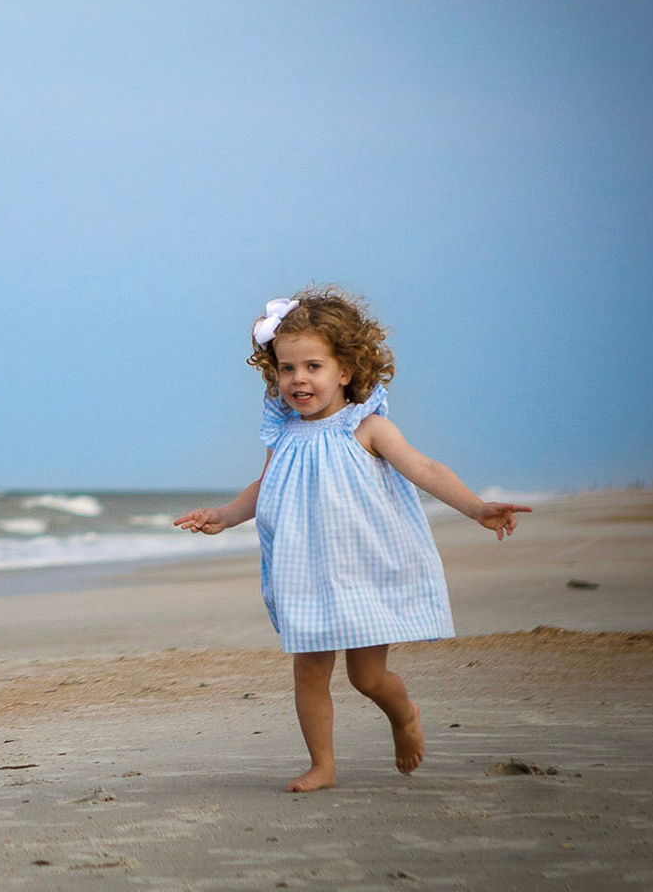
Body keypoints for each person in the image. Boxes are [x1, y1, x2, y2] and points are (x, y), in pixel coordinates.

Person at [174, 288, 531, 793]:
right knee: (309, 671)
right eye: (286, 368)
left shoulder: (368, 428)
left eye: (313, 366)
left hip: (363, 567)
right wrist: (225, 515)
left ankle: (404, 714)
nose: (298, 379)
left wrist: (477, 508)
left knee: (367, 677)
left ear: (344, 370)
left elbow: (423, 468)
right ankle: (322, 764)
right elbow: (266, 487)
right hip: (305, 570)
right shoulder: (283, 435)